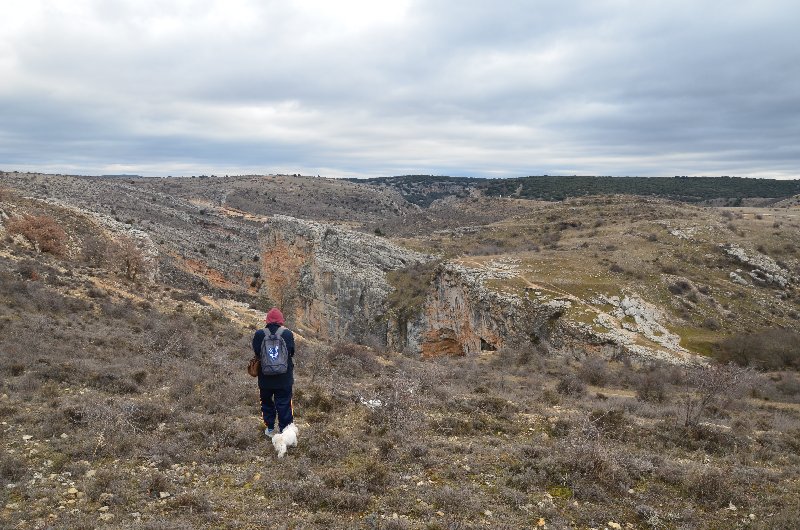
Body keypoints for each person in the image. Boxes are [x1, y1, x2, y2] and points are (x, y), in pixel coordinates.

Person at [252, 307, 295, 437]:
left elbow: (257, 352)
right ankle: (285, 431)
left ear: (267, 320)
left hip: (265, 377)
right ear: (281, 320)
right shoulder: (287, 334)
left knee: (266, 402)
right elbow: (291, 352)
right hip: (284, 377)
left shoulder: (260, 334)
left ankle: (270, 429)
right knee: (284, 403)